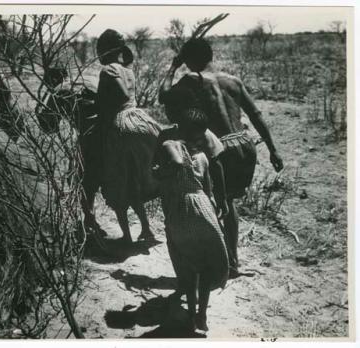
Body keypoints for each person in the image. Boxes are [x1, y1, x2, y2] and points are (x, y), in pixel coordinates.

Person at [159, 37, 283, 277]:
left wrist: (173, 67)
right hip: (244, 146)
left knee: (214, 201)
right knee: (229, 202)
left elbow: (163, 96)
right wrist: (273, 148)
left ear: (189, 60)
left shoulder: (190, 81)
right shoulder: (232, 81)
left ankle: (218, 261)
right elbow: (255, 115)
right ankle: (232, 261)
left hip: (219, 148)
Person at [153, 107, 229, 334]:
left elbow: (176, 163)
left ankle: (190, 314)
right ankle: (202, 314)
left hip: (181, 210)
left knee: (186, 263)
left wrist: (160, 173)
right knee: (206, 265)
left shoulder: (169, 145)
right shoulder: (203, 157)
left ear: (178, 126)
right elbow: (208, 189)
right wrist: (216, 208)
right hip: (204, 208)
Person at [96, 29, 162, 243]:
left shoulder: (107, 71)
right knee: (135, 180)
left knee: (117, 181)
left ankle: (126, 236)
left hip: (120, 126)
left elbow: (102, 103)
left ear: (104, 50)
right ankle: (146, 229)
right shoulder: (128, 71)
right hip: (141, 120)